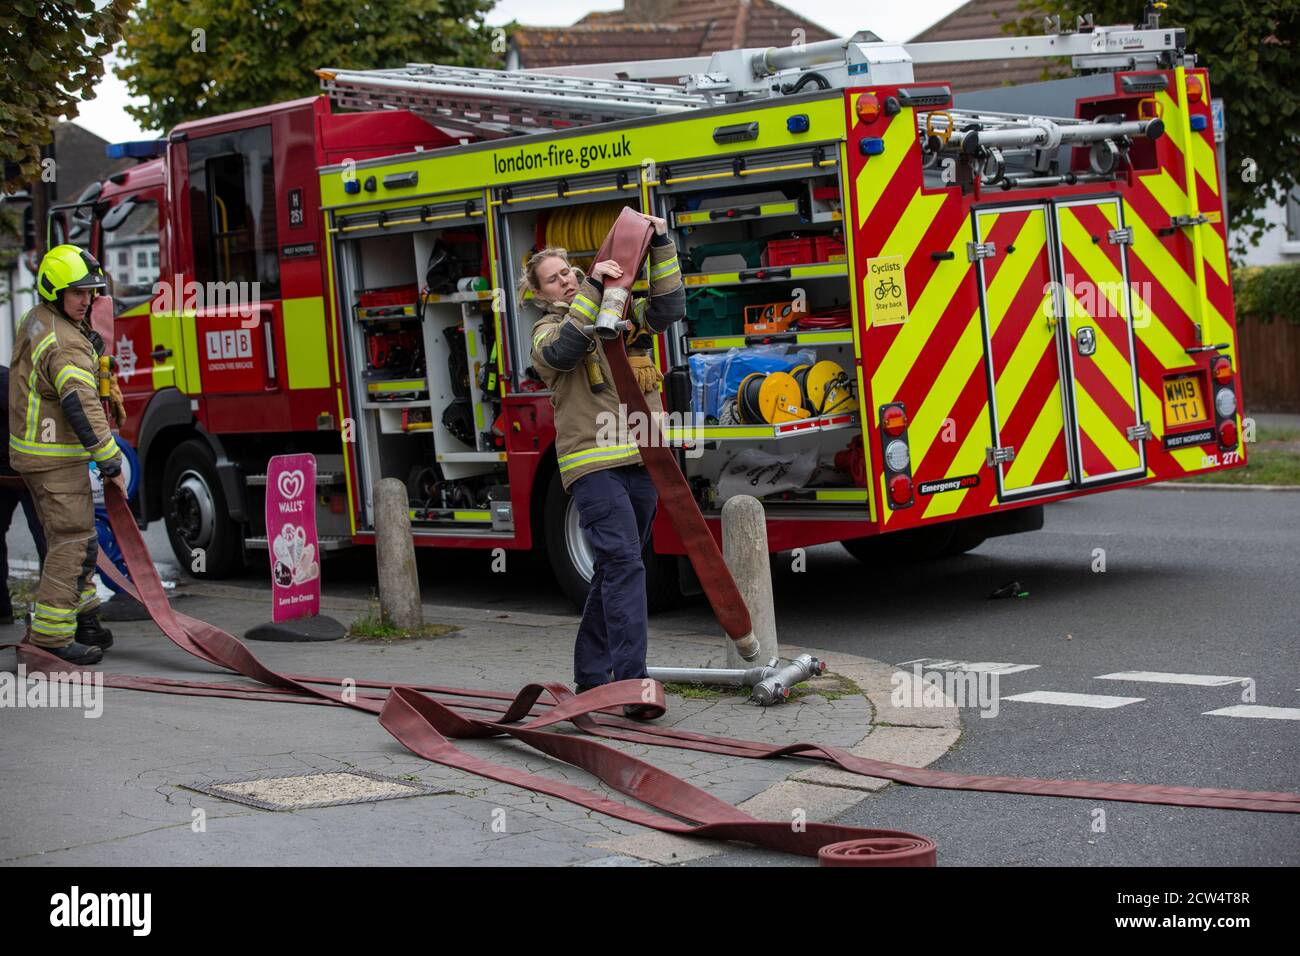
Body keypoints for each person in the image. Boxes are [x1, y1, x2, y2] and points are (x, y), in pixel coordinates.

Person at [525, 212, 684, 719]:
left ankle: (591, 677)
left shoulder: (618, 312)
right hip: (592, 467)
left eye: (570, 270)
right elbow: (571, 349)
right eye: (556, 278)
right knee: (624, 564)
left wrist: (661, 245)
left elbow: (668, 308)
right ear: (540, 295)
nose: (567, 279)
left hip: (640, 456)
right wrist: (596, 285)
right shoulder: (547, 334)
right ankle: (632, 683)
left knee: (616, 569)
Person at [8, 244, 126, 665]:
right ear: (54, 291)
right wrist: (111, 460)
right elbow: (80, 401)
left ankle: (85, 618)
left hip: (42, 454)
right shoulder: (63, 342)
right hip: (54, 457)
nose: (86, 300)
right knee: (72, 542)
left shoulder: (40, 319)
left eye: (91, 292)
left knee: (81, 538)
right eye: (77, 293)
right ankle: (52, 638)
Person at [0, 364, 49, 626]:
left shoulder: (5, 381)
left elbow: (29, 419)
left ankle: (51, 614)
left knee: (48, 541)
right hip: (8, 473)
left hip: (28, 473)